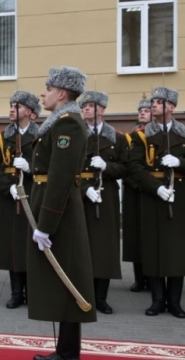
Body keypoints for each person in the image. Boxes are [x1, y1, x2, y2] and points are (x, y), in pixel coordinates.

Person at [28, 66, 96, 360]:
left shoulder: (69, 125)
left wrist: (46, 225)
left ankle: (69, 356)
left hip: (61, 212)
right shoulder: (58, 122)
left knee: (68, 279)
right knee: (60, 279)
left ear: (62, 93)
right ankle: (63, 350)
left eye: (48, 88)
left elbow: (60, 179)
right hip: (51, 205)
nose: (43, 93)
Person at [127, 87, 185, 319]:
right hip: (152, 196)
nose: (154, 105)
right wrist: (156, 187)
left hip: (178, 197)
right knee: (152, 249)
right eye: (153, 102)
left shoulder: (183, 134)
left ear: (171, 107)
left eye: (159, 102)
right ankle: (157, 300)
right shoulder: (142, 136)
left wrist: (180, 162)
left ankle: (174, 301)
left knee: (176, 250)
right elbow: (135, 166)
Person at [0, 91, 39, 309]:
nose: (11, 109)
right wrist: (8, 187)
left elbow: (52, 167)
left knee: (32, 243)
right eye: (11, 105)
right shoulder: (1, 137)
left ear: (30, 112)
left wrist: (31, 168)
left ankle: (34, 291)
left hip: (34, 195)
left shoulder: (42, 135)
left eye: (16, 107)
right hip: (11, 198)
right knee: (13, 245)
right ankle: (16, 292)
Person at [79, 91, 127, 314]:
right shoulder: (77, 135)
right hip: (81, 193)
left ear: (102, 110)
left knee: (104, 247)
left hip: (106, 194)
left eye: (91, 105)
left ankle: (101, 297)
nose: (86, 108)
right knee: (83, 245)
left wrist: (107, 167)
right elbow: (66, 168)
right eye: (84, 105)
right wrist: (86, 188)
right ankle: (83, 295)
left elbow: (126, 168)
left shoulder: (116, 137)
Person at [123, 97, 151, 293]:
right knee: (135, 234)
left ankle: (154, 276)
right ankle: (140, 278)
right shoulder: (131, 137)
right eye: (140, 110)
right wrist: (139, 183)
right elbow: (127, 164)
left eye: (146, 110)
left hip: (154, 189)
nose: (142, 112)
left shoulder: (161, 135)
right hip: (135, 189)